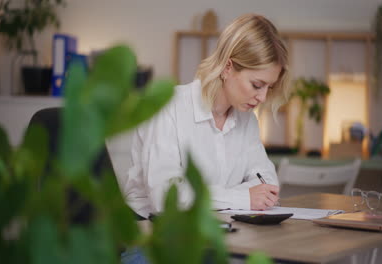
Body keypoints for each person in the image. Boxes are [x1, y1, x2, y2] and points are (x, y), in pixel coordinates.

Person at [123, 13, 291, 220]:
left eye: (269, 87)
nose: (263, 97)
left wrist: (221, 197)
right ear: (228, 67)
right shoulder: (167, 108)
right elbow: (167, 197)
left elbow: (267, 184)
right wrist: (242, 197)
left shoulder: (246, 120)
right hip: (150, 233)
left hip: (214, 228)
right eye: (257, 85)